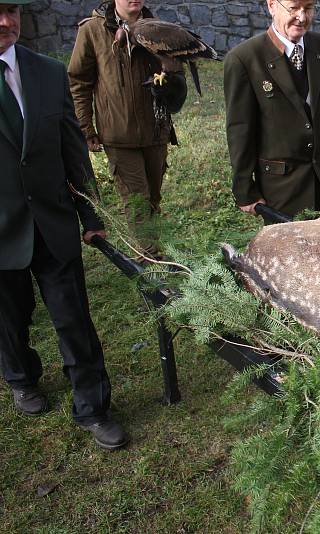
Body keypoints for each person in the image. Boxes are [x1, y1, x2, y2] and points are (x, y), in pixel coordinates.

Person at [0, 0, 129, 449]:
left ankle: (93, 407)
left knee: (73, 320)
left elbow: (72, 150)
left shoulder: (48, 72)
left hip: (54, 222)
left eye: (11, 10)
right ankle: (21, 376)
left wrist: (91, 215)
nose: (5, 21)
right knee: (9, 320)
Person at [68, 0, 187, 260]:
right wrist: (86, 127)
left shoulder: (158, 28)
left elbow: (179, 78)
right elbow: (79, 82)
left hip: (156, 130)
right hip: (118, 134)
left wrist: (170, 85)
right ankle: (151, 263)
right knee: (137, 202)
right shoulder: (92, 30)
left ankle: (153, 251)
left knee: (153, 197)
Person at [224, 0, 320, 218]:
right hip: (281, 190)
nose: (302, 17)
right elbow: (240, 130)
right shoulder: (244, 59)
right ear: (271, 6)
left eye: (309, 8)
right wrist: (244, 188)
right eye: (294, 8)